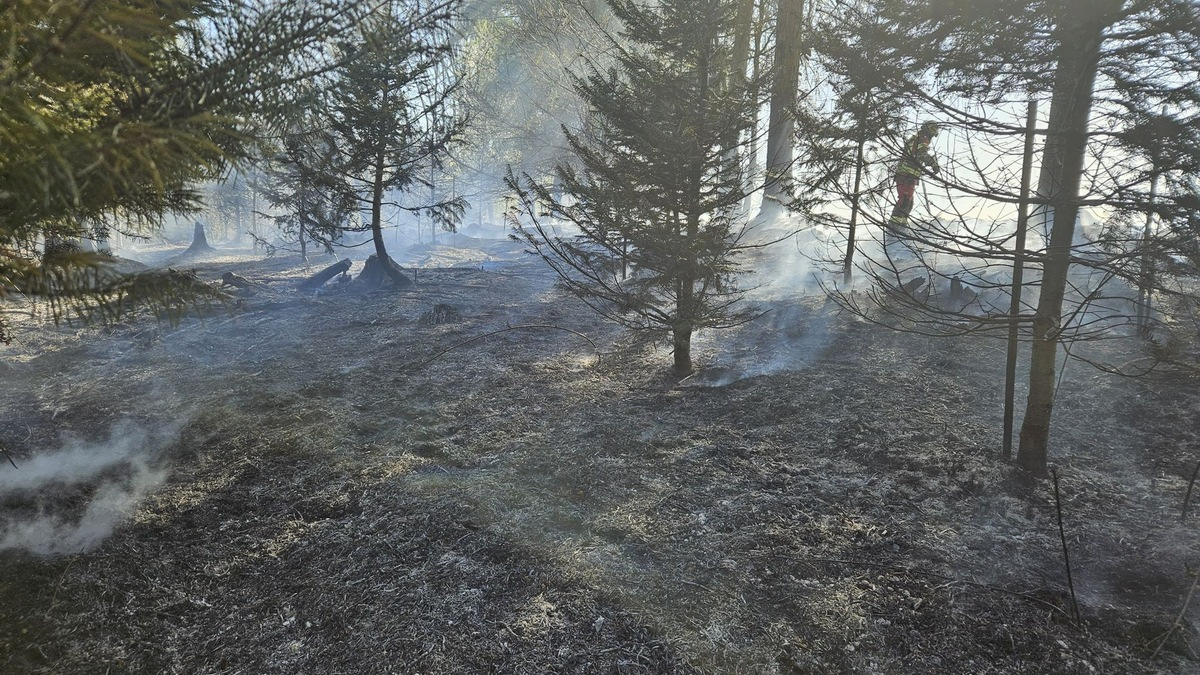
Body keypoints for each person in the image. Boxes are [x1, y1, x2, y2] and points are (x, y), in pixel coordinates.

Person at [888, 121, 941, 232]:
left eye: (935, 130)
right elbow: (922, 154)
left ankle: (901, 226)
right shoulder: (922, 138)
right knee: (905, 199)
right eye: (933, 129)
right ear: (927, 129)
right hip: (906, 173)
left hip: (910, 174)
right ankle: (894, 227)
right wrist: (933, 164)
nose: (934, 132)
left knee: (909, 201)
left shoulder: (917, 138)